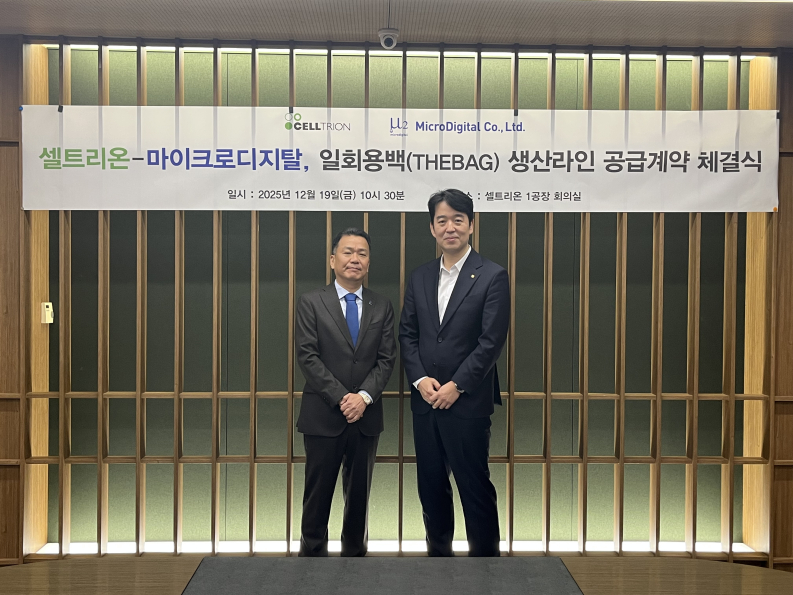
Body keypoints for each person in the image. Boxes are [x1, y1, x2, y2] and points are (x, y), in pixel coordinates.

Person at [398, 189, 510, 557]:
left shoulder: (492, 275)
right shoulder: (420, 276)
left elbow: (491, 342)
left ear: (471, 225)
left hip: (467, 403)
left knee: (474, 487)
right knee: (431, 487)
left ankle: (486, 566)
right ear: (432, 228)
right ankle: (438, 562)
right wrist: (420, 380)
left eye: (458, 220)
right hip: (426, 400)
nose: (450, 228)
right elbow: (407, 334)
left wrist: (457, 385)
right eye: (442, 221)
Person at [296, 227, 397, 557]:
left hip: (366, 416)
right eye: (348, 252)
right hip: (323, 415)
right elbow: (307, 356)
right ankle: (312, 564)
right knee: (317, 496)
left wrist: (363, 397)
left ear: (369, 262)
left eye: (362, 253)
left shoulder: (382, 305)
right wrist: (343, 397)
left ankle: (355, 563)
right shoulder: (311, 302)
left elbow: (386, 359)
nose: (355, 259)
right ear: (332, 260)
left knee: (358, 498)